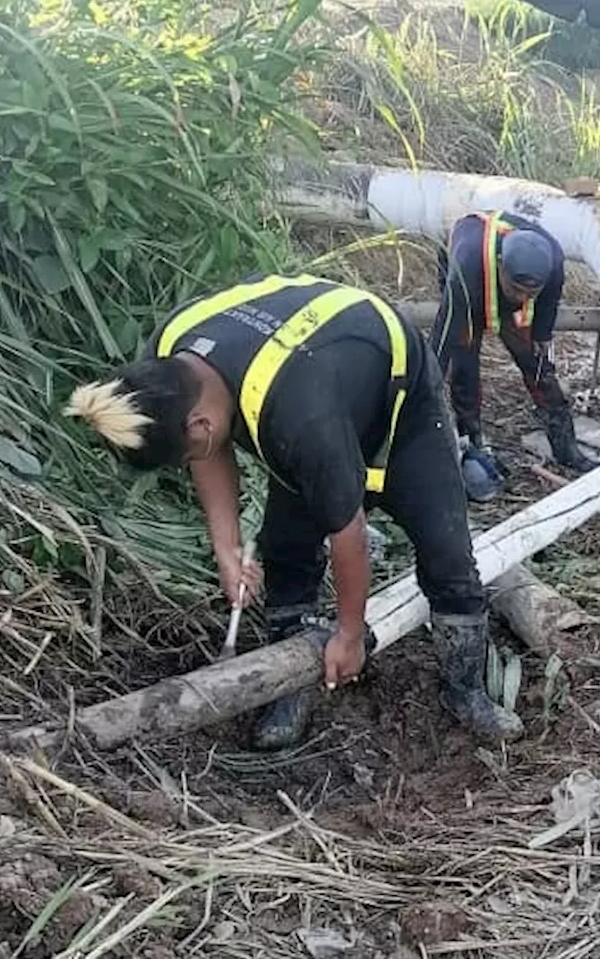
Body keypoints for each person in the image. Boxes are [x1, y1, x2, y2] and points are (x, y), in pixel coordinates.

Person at [64, 272, 523, 751]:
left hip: (398, 404)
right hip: (315, 382)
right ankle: (292, 683)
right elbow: (207, 450)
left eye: (182, 457)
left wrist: (348, 634)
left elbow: (349, 533)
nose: (189, 463)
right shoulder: (170, 360)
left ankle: (465, 690)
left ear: (198, 425)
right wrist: (227, 548)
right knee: (286, 549)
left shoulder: (300, 418)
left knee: (446, 550)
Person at [431, 211, 597, 477]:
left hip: (504, 290)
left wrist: (542, 335)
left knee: (539, 368)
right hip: (471, 281)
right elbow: (444, 330)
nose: (522, 297)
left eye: (530, 293)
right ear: (501, 265)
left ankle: (567, 450)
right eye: (516, 289)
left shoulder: (552, 259)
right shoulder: (466, 267)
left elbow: (549, 300)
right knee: (464, 365)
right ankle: (472, 442)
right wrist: (429, 380)